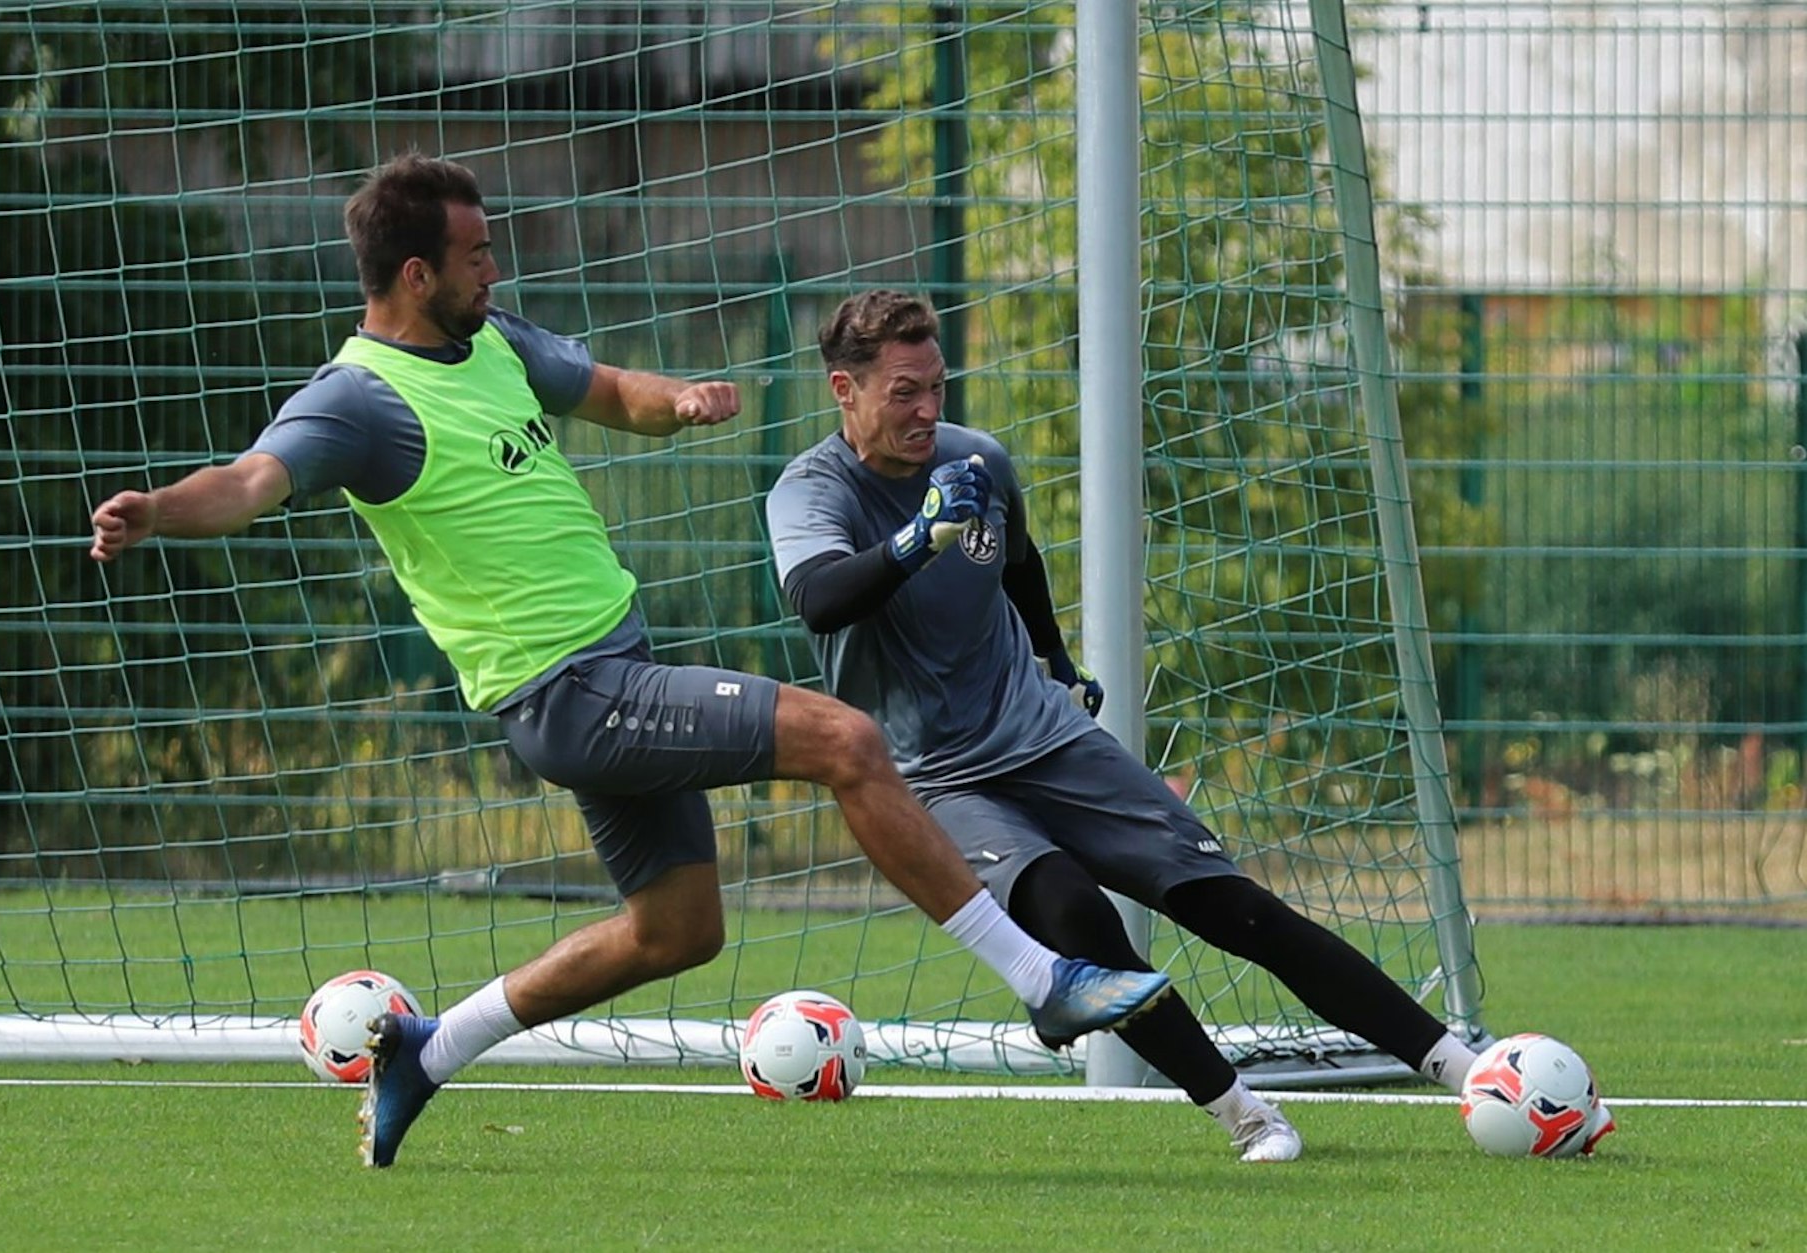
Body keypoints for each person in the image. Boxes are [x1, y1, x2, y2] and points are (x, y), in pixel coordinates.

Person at [88, 157, 1172, 1168]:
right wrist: (157, 511)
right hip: (574, 693)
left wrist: (683, 403)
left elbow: (607, 390)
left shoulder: (494, 343)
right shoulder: (356, 396)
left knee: (677, 930)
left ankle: (424, 1052)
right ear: (415, 274)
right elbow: (246, 481)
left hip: (612, 667)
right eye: (474, 255)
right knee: (845, 738)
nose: (492, 265)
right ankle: (1043, 978)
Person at [763, 289, 1615, 1162]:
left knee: (1231, 906)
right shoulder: (811, 490)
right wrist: (920, 537)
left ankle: (1465, 1070)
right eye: (906, 391)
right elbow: (821, 600)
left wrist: (1057, 660)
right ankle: (1249, 1115)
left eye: (938, 386)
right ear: (845, 388)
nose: (929, 409)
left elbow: (1020, 561)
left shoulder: (977, 461)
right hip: (938, 777)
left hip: (1045, 739)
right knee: (1071, 911)